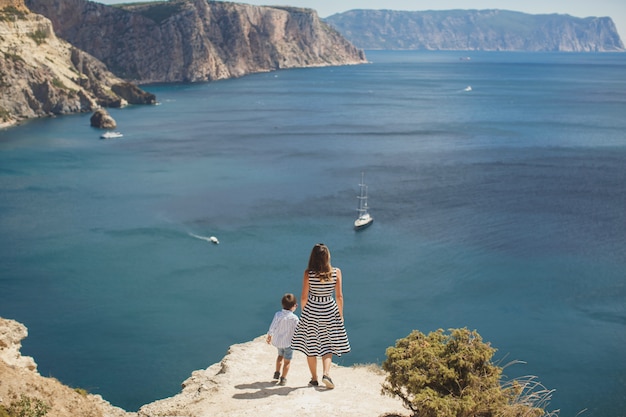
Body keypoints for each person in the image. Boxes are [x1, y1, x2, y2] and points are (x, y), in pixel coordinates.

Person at [291, 243, 350, 389]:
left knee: (310, 345)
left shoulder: (308, 274)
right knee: (327, 344)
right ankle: (327, 374)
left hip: (312, 309)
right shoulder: (336, 272)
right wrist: (340, 315)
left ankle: (314, 379)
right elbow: (339, 296)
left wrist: (305, 312)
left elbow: (304, 297)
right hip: (329, 309)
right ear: (327, 256)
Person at [266, 293, 299, 386]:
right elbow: (298, 330)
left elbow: (273, 326)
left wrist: (269, 335)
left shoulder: (278, 315)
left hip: (278, 342)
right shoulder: (294, 318)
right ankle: (283, 378)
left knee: (279, 357)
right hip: (288, 343)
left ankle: (277, 372)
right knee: (287, 362)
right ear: (294, 306)